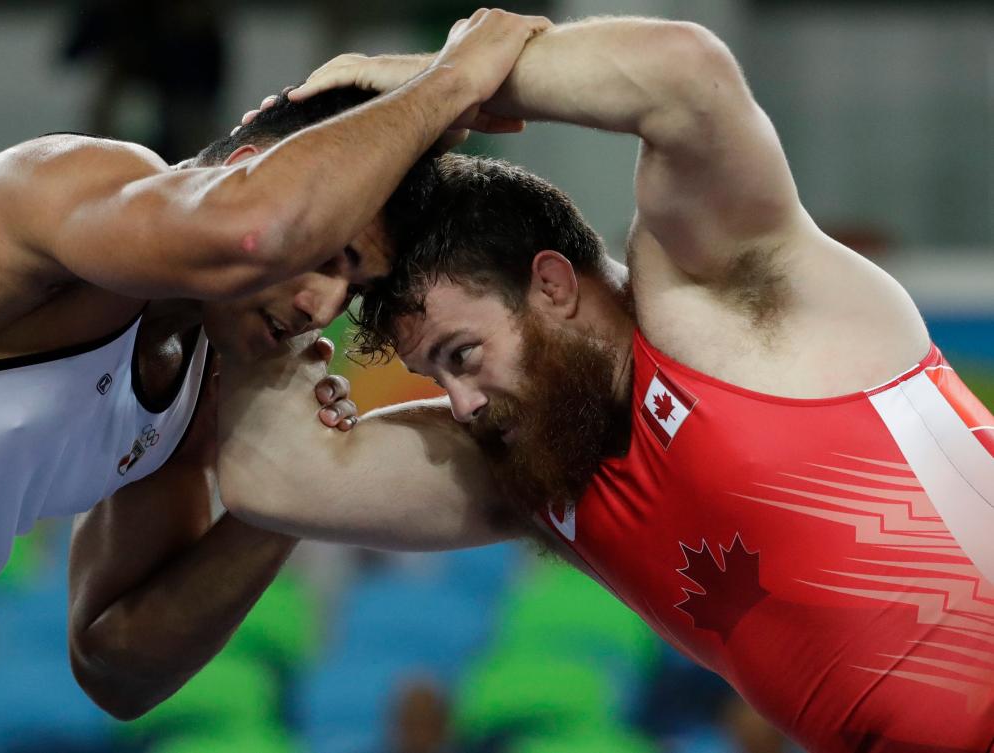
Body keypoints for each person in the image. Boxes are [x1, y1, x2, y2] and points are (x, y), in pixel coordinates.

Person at [219, 15, 994, 753]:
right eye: (434, 375)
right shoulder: (541, 470)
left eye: (463, 353)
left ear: (552, 286)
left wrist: (425, 87)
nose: (460, 403)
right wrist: (240, 247)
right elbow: (271, 474)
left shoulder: (718, 300)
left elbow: (683, 77)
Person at [0, 9, 551, 751]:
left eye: (349, 288)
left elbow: (116, 664)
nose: (320, 306)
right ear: (236, 169)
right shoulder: (70, 182)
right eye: (323, 254)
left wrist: (291, 494)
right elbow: (249, 229)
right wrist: (452, 81)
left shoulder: (194, 387)